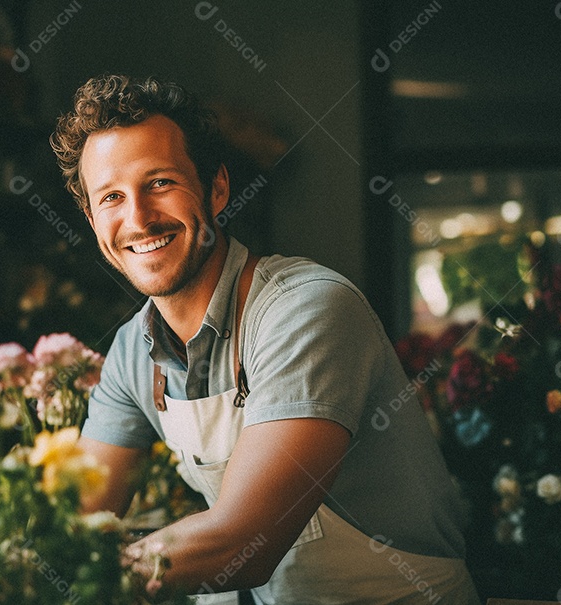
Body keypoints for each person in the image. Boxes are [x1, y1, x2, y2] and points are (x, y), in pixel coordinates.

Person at [51, 74, 480, 604]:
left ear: (217, 189)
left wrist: (74, 576)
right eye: (111, 197)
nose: (137, 218)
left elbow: (243, 541)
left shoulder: (306, 309)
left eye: (160, 182)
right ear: (92, 219)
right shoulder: (130, 354)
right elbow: (78, 521)